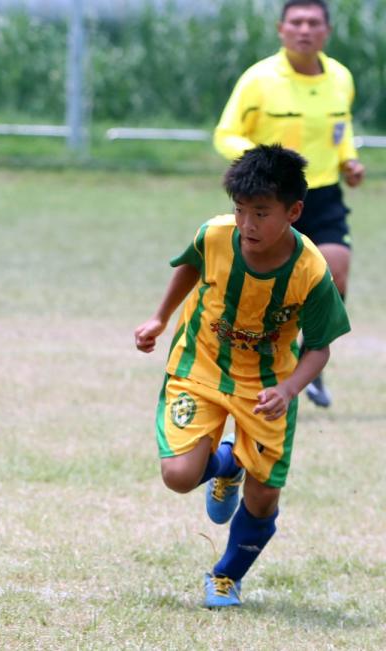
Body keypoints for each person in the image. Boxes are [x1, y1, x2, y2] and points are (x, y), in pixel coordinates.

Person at [134, 144, 349, 608]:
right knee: (177, 475)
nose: (247, 224)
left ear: (293, 212)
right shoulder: (215, 235)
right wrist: (159, 318)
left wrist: (290, 389)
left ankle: (226, 576)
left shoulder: (311, 271)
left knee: (265, 494)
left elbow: (319, 346)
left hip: (267, 384)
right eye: (240, 210)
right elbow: (191, 265)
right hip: (202, 364)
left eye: (261, 213)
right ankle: (225, 464)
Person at [213, 0, 363, 408]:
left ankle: (310, 363)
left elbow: (339, 127)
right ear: (281, 29)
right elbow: (225, 134)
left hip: (325, 193)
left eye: (313, 22)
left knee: (336, 272)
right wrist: (264, 168)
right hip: (271, 201)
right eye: (296, 22)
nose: (304, 29)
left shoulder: (340, 78)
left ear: (326, 32)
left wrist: (348, 158)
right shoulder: (258, 79)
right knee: (259, 286)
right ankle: (256, 362)